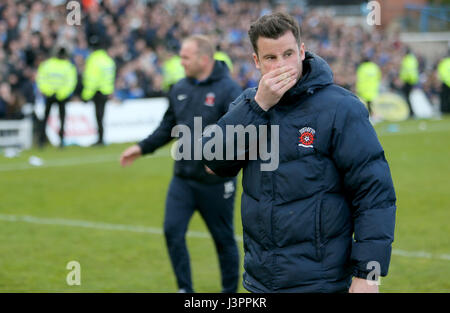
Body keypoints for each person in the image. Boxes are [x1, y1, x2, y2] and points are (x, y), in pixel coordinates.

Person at [201, 12, 396, 293]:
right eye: (270, 58)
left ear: (302, 52)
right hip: (260, 282)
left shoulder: (341, 107)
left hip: (322, 283)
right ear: (256, 61)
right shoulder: (248, 106)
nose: (282, 65)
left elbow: (375, 193)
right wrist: (258, 107)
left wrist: (368, 274)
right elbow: (213, 160)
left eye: (288, 54)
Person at [119, 35, 242, 293]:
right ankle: (185, 290)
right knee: (172, 232)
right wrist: (141, 148)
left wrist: (221, 162)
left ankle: (229, 294)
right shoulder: (179, 88)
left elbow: (239, 134)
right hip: (183, 180)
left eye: (186, 57)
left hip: (216, 184)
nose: (181, 62)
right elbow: (167, 127)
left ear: (204, 59)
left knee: (223, 240)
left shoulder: (229, 90)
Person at [36, 47, 77, 147]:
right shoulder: (68, 66)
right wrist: (61, 93)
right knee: (62, 118)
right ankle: (61, 141)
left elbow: (41, 79)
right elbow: (70, 83)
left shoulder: (47, 64)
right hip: (61, 96)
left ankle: (41, 141)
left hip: (49, 95)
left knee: (46, 117)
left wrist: (48, 91)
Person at [81, 36, 116, 146]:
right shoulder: (108, 59)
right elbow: (111, 76)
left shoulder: (92, 59)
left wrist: (86, 95)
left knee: (98, 115)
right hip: (106, 91)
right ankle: (101, 137)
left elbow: (92, 79)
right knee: (101, 115)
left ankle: (100, 139)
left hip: (96, 91)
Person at [399, 48, 419, 117]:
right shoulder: (413, 59)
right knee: (408, 97)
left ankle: (411, 112)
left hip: (408, 81)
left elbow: (407, 71)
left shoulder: (407, 60)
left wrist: (403, 80)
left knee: (407, 97)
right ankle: (411, 112)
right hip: (412, 80)